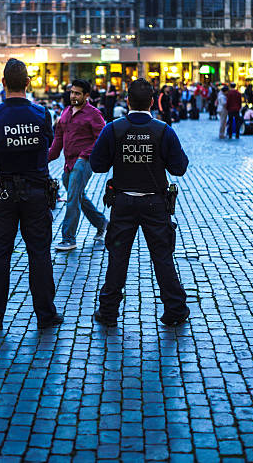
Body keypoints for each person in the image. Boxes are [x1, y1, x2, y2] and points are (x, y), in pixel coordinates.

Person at [90, 78, 190, 328]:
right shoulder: (163, 130)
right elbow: (179, 168)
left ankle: (109, 311)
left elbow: (97, 164)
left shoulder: (113, 129)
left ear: (127, 101)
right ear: (153, 102)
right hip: (155, 203)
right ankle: (175, 309)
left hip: (123, 202)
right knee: (163, 257)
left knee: (117, 258)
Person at [0, 58, 62, 330]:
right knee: (39, 253)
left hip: (2, 192)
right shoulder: (42, 114)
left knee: (0, 253)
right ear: (28, 83)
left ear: (3, 83)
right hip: (36, 191)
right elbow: (48, 143)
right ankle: (46, 315)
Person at [49, 79, 108, 251]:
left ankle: (69, 238)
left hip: (84, 162)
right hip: (69, 163)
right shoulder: (66, 112)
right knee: (78, 196)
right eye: (72, 92)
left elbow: (101, 139)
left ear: (86, 96)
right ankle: (102, 222)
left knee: (72, 198)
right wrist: (45, 159)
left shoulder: (94, 114)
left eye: (77, 93)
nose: (73, 96)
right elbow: (58, 140)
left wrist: (84, 156)